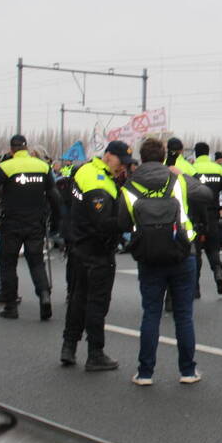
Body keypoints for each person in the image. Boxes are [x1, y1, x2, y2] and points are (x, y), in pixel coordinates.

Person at [120, 137, 212, 385]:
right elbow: (206, 194)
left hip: (149, 256)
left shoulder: (129, 185)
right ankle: (188, 371)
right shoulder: (177, 179)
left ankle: (145, 373)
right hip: (183, 253)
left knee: (151, 313)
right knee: (183, 315)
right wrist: (183, 175)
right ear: (163, 157)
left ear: (141, 158)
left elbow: (121, 223)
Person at [60, 140, 129, 371]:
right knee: (97, 303)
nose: (123, 168)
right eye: (122, 162)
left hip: (79, 246)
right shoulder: (99, 181)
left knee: (78, 299)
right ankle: (95, 353)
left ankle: (68, 347)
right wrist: (127, 221)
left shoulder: (85, 170)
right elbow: (103, 222)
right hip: (98, 250)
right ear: (109, 156)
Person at [0, 134, 61, 320]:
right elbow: (54, 195)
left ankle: (11, 306)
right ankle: (44, 295)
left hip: (11, 224)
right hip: (36, 223)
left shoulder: (6, 167)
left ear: (12, 150)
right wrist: (57, 220)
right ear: (26, 148)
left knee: (8, 264)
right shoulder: (42, 166)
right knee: (36, 262)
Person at [192, 142, 222, 297]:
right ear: (208, 154)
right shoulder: (218, 169)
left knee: (196, 252)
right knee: (213, 249)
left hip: (196, 217)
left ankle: (195, 288)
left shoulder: (192, 169)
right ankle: (218, 273)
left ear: (196, 153)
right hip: (213, 216)